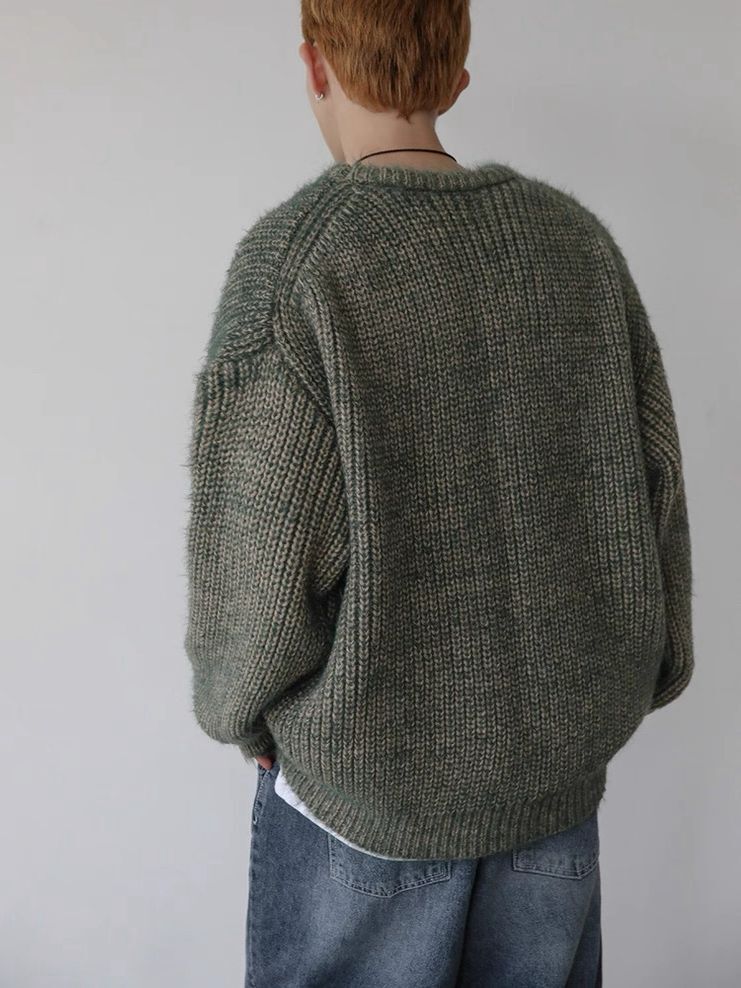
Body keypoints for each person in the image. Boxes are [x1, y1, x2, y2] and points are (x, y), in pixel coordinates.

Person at [182, 2, 694, 985]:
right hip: (552, 787)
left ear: (314, 64)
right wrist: (640, 675)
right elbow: (653, 491)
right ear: (457, 77)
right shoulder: (575, 247)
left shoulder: (296, 265)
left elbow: (259, 554)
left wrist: (242, 711)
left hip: (365, 799)